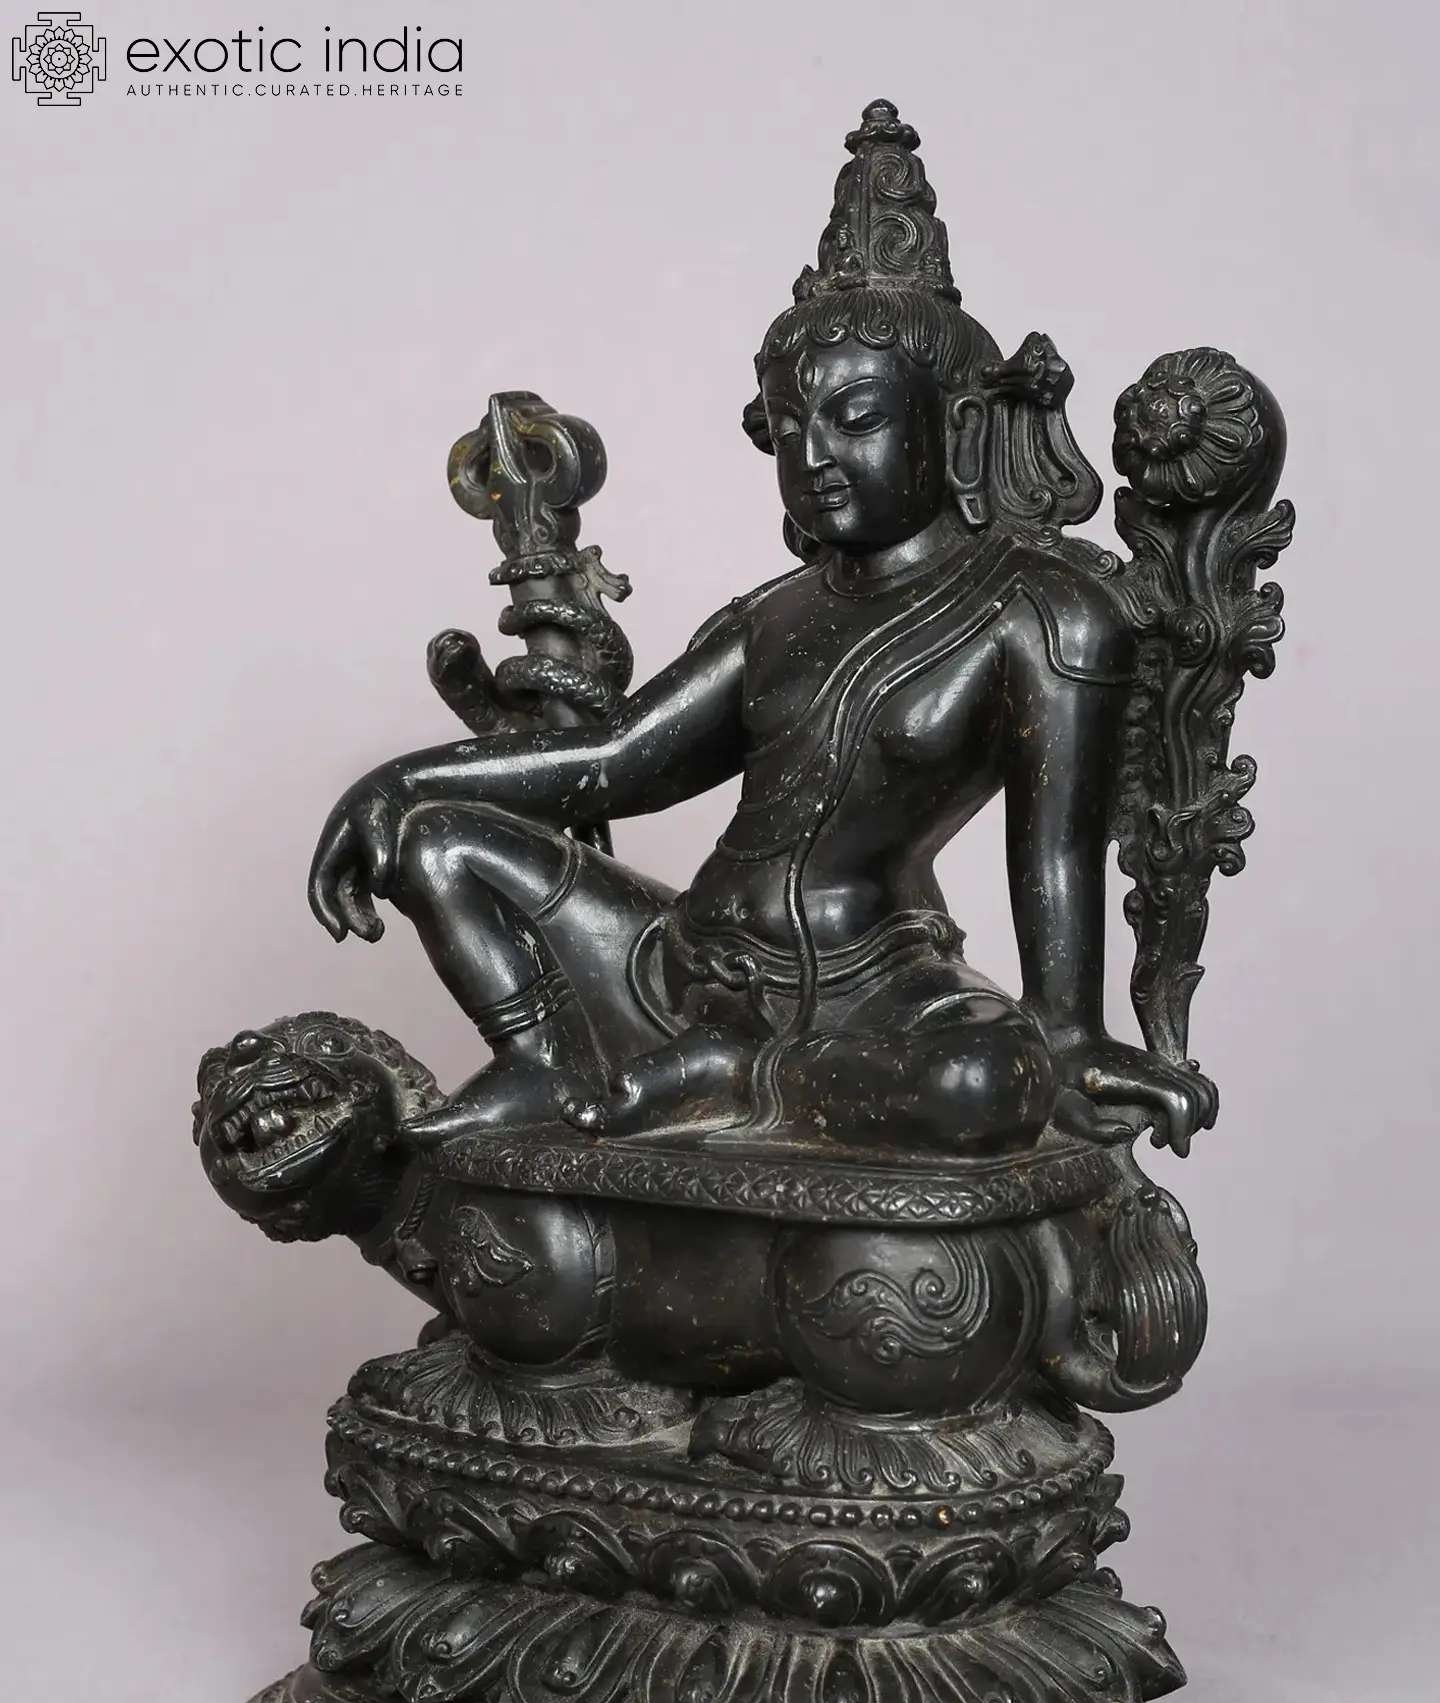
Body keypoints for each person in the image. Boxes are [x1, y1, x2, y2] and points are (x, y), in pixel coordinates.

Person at [308, 102, 1214, 1159]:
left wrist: (1067, 1031)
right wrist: (396, 783)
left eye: (858, 418)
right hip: (677, 961)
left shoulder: (1042, 612)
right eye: (789, 429)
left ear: (958, 421)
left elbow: (1054, 848)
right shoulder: (773, 614)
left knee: (987, 1080)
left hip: (872, 987)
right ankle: (542, 1065)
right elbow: (617, 761)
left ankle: (740, 1076)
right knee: (435, 839)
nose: (816, 454)